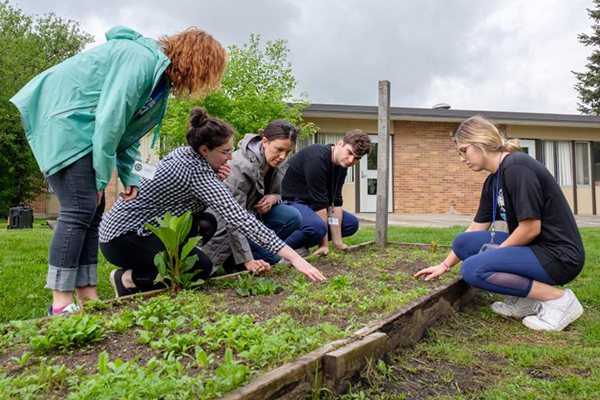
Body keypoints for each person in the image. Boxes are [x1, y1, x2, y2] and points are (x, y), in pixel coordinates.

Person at [10, 25, 227, 315]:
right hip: (64, 122)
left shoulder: (157, 79)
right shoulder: (140, 59)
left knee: (93, 212)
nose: (201, 81)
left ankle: (87, 296)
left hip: (83, 130)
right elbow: (111, 119)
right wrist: (102, 179)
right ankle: (60, 303)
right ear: (196, 61)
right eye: (206, 73)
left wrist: (129, 177)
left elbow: (127, 132)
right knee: (79, 209)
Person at [100, 108, 325, 297]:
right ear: (205, 150)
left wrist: (213, 174)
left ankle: (153, 264)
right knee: (201, 267)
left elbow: (160, 178)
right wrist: (295, 258)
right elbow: (240, 218)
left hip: (143, 227)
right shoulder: (196, 172)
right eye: (225, 152)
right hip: (122, 238)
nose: (230, 157)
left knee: (206, 222)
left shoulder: (187, 155)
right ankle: (127, 278)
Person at [415, 115, 585, 332]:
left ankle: (559, 299)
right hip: (535, 248)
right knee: (463, 242)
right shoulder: (493, 180)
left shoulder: (517, 167)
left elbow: (531, 228)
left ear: (479, 143)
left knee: (473, 269)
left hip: (559, 255)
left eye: (463, 150)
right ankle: (527, 300)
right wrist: (444, 265)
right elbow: (477, 227)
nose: (461, 158)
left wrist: (493, 257)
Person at [203, 120, 302, 273]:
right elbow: (232, 218)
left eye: (287, 152)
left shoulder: (276, 163)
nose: (283, 156)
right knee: (274, 261)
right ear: (264, 142)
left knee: (292, 216)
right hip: (227, 228)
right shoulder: (239, 166)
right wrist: (247, 259)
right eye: (279, 149)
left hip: (253, 221)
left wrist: (273, 198)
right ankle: (236, 259)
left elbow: (279, 193)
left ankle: (251, 253)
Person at [281, 129, 371, 256]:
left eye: (357, 158)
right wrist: (323, 244)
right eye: (349, 152)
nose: (351, 160)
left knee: (350, 223)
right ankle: (277, 250)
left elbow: (335, 202)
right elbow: (320, 204)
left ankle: (300, 245)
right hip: (290, 202)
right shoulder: (317, 158)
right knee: (317, 226)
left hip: (310, 205)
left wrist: (338, 243)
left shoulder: (341, 165)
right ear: (340, 143)